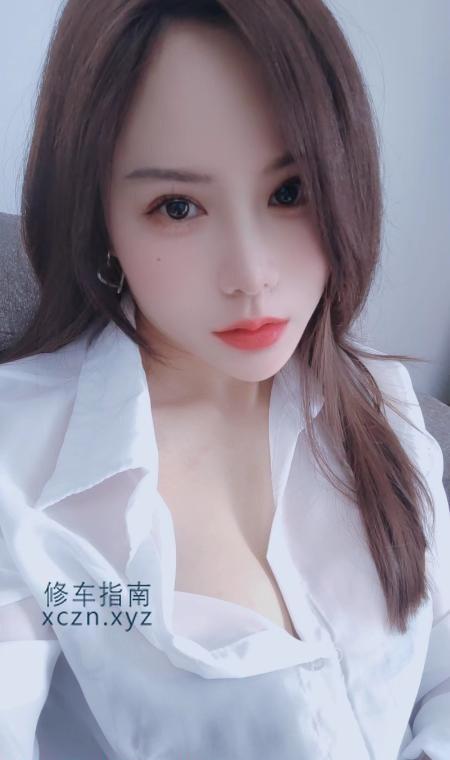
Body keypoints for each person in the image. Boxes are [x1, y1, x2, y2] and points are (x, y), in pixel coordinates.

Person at [0, 1, 448, 758]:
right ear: (98, 216)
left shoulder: (382, 403)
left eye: (290, 192)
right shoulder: (21, 462)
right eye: (178, 207)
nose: (251, 275)